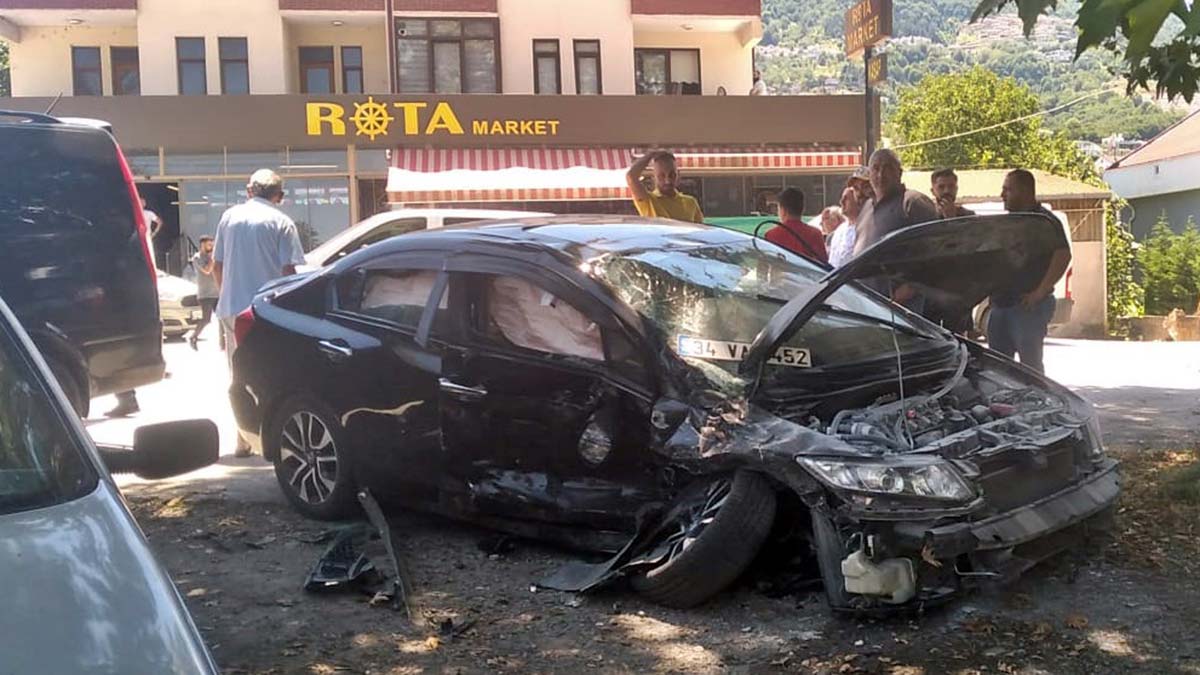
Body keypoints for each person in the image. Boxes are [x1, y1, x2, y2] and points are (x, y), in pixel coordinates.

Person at [214, 169, 306, 457]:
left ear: (249, 190)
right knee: (272, 373)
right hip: (265, 312)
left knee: (237, 374)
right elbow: (289, 271)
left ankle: (242, 439)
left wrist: (225, 294)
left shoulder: (229, 217)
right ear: (278, 196)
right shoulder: (281, 222)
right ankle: (272, 435)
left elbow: (217, 264)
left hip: (231, 309)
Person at [986, 169, 1071, 373]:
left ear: (1025, 191)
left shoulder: (1044, 221)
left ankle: (1036, 403)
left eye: (1008, 189)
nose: (1002, 195)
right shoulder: (1009, 222)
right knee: (998, 368)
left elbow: (1063, 255)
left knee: (1029, 369)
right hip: (1000, 305)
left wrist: (1040, 292)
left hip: (1027, 306)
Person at [853, 149, 939, 307]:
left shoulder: (913, 203)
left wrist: (908, 289)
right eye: (876, 168)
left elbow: (934, 253)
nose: (881, 174)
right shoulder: (866, 207)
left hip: (900, 311)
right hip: (866, 308)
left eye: (888, 168)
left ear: (899, 173)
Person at [927, 168, 976, 333]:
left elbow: (969, 250)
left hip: (957, 293)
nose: (946, 191)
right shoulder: (925, 217)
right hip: (930, 292)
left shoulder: (968, 217)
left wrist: (951, 220)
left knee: (958, 341)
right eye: (941, 187)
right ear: (932, 190)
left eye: (951, 186)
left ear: (956, 188)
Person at [626, 151, 705, 224]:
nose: (668, 181)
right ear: (654, 178)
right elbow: (631, 176)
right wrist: (651, 154)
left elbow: (700, 232)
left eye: (672, 175)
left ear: (678, 175)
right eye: (661, 176)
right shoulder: (648, 200)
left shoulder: (691, 202)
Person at [764, 188, 828, 263]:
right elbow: (823, 264)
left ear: (783, 210)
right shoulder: (815, 234)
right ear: (803, 209)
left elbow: (763, 268)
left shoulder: (771, 235)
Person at [188, 235, 220, 351]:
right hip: (205, 295)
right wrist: (213, 258)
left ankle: (223, 342)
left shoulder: (213, 257)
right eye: (209, 244)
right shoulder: (197, 258)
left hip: (217, 293)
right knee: (206, 319)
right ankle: (193, 337)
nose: (211, 246)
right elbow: (207, 270)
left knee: (223, 317)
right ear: (202, 245)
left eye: (212, 244)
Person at [828, 182, 865, 268]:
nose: (841, 202)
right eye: (842, 198)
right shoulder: (839, 230)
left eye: (846, 199)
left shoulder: (864, 227)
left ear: (857, 201)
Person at [141, 197, 162, 270]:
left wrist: (154, 233)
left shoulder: (149, 213)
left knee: (150, 254)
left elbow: (159, 222)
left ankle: (152, 270)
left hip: (147, 236)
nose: (141, 204)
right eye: (140, 202)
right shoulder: (134, 213)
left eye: (143, 202)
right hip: (137, 238)